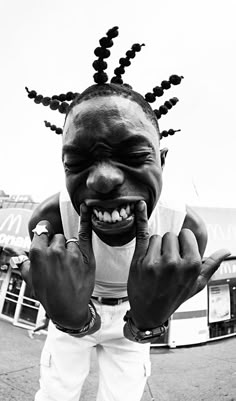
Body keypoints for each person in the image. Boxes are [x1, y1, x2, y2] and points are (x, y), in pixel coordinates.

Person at [2, 27, 230, 401]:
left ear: (162, 160)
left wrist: (146, 322)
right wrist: (70, 316)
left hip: (131, 314)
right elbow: (54, 287)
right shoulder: (51, 218)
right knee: (55, 392)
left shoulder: (183, 226)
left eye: (134, 155)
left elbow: (156, 313)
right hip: (75, 310)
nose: (104, 179)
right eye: (78, 160)